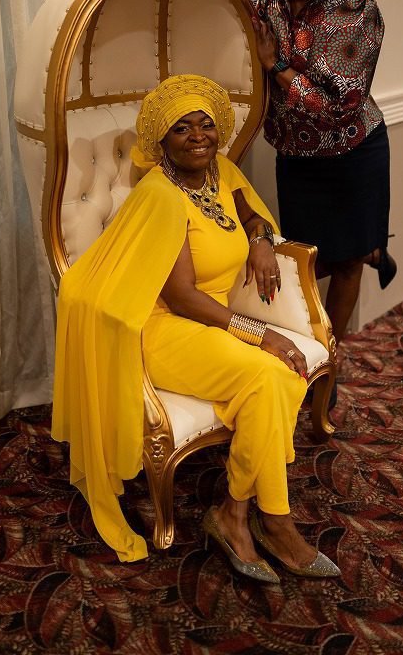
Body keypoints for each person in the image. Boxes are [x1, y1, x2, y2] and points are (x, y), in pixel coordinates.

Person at [52, 74, 340, 580]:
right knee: (269, 374)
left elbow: (253, 214)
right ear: (162, 141)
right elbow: (182, 297)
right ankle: (273, 520)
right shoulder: (161, 196)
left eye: (205, 125)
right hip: (161, 328)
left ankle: (236, 513)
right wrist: (262, 334)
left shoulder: (220, 171)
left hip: (209, 322)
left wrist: (260, 241)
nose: (198, 136)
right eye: (181, 128)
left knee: (276, 379)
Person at [249, 0, 396, 373]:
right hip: (296, 159)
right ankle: (307, 356)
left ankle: (328, 366)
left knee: (348, 261)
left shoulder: (357, 12)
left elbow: (339, 107)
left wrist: (276, 66)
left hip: (352, 155)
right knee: (304, 261)